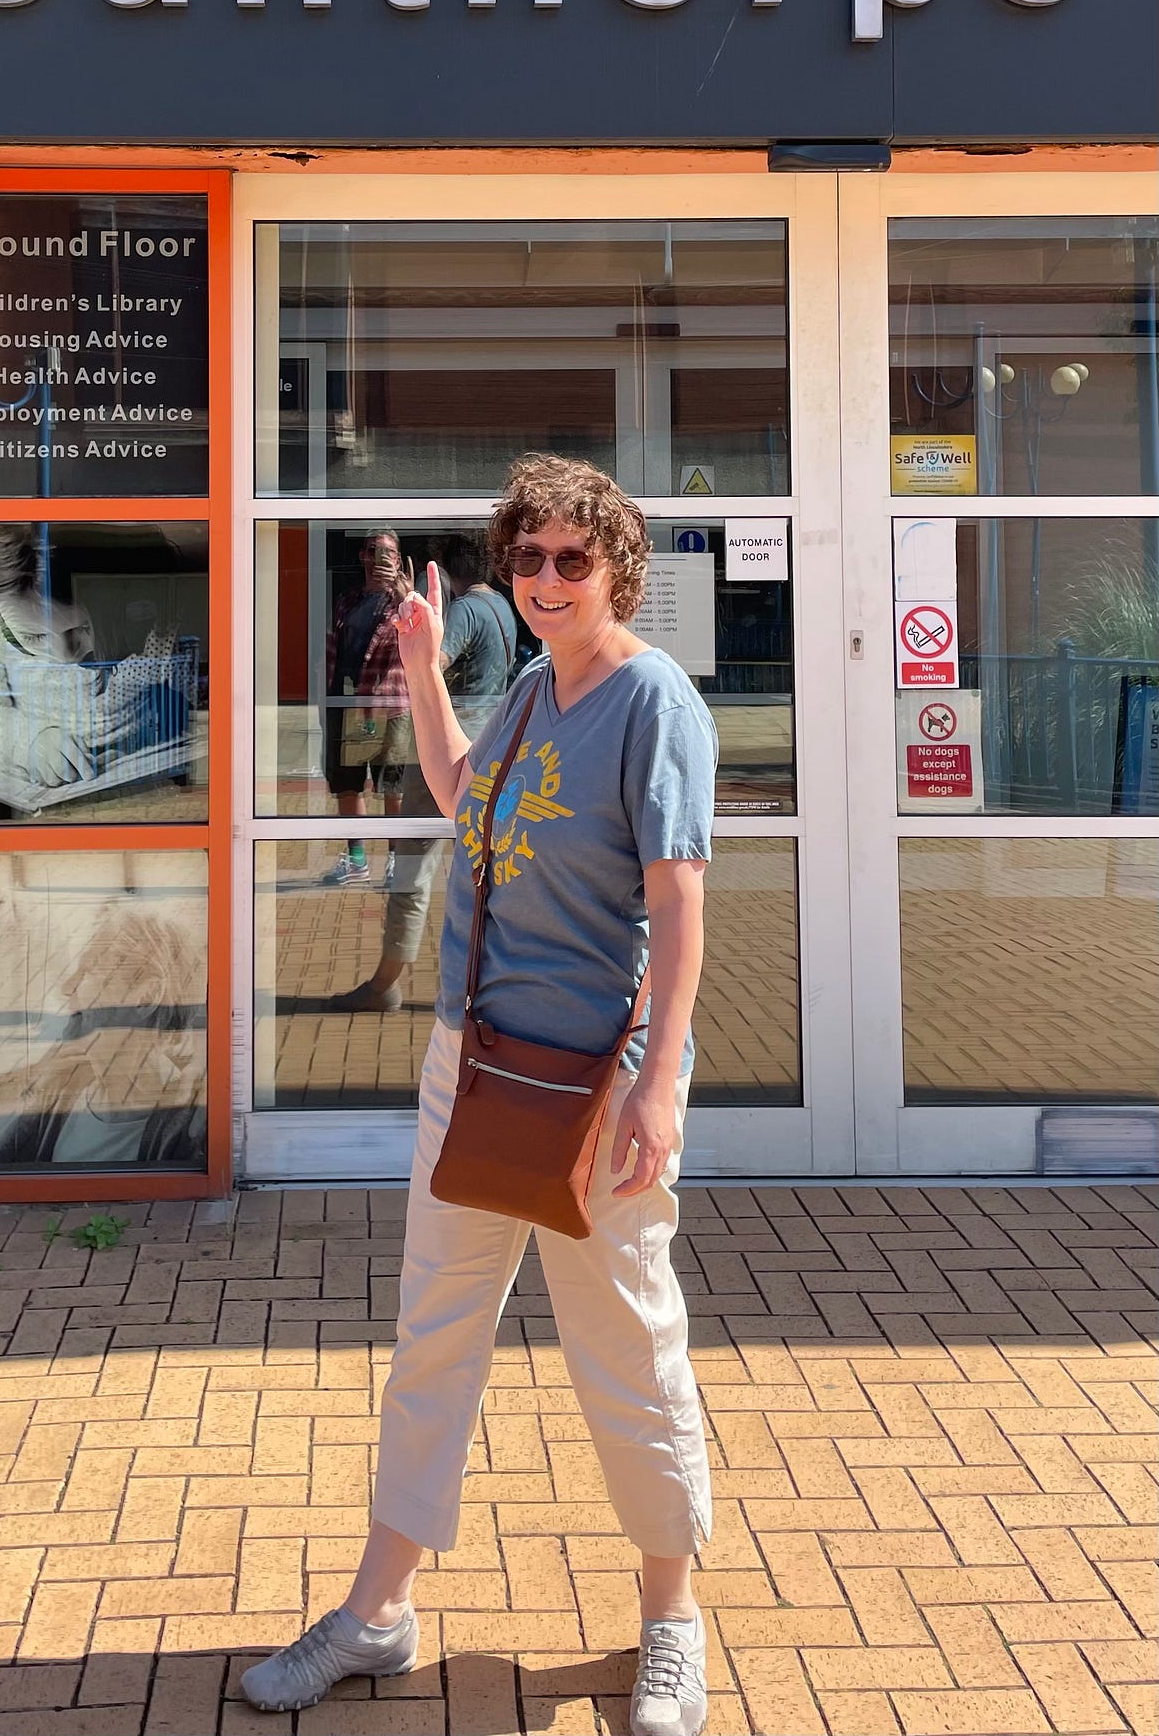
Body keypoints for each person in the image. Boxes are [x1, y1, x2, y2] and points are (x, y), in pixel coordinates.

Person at [243, 454, 717, 1736]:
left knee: (625, 1344)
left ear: (617, 566)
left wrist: (658, 1084)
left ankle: (671, 1618)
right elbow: (463, 802)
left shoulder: (651, 701)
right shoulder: (522, 686)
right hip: (478, 1063)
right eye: (529, 558)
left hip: (591, 1085)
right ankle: (378, 1611)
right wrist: (424, 674)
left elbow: (678, 907)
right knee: (434, 1335)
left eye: (574, 557)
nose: (549, 577)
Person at [328, 535, 518, 1013]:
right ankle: (491, 982)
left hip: (450, 749)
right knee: (486, 870)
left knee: (412, 867)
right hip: (494, 745)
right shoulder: (504, 611)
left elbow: (430, 662)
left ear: (447, 570)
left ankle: (385, 982)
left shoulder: (465, 613)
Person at [320, 529, 412, 884]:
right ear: (362, 556)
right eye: (374, 551)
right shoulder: (348, 601)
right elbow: (330, 653)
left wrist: (403, 588)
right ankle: (356, 858)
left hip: (391, 706)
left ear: (399, 559)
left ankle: (395, 859)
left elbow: (420, 627)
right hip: (349, 706)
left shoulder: (403, 600)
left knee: (393, 787)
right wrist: (325, 702)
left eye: (388, 553)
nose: (379, 560)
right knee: (348, 784)